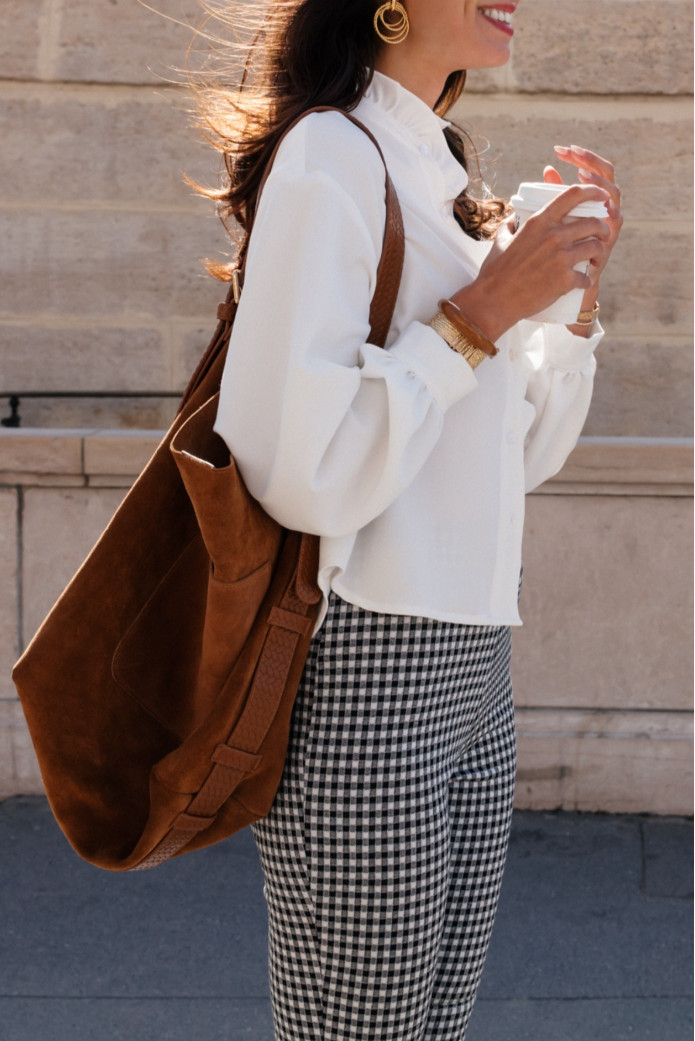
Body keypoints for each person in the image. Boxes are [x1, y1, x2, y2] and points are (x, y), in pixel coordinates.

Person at [198, 1, 624, 1038]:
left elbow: (515, 459)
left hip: (475, 666)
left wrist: (567, 298)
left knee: (430, 1025)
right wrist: (481, 312)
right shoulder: (329, 155)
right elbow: (296, 468)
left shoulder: (437, 171)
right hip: (364, 664)